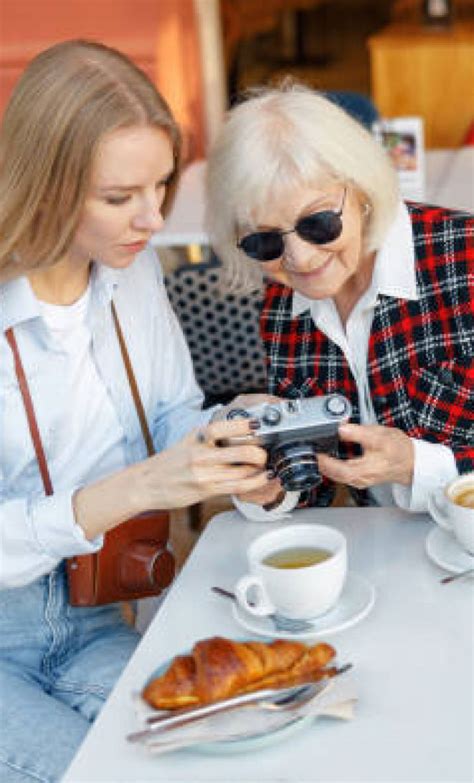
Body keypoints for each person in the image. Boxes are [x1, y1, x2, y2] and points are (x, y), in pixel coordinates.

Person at [0, 40, 277, 782]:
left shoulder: (134, 270)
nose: (152, 219)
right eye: (119, 198)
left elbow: (170, 411)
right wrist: (141, 487)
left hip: (95, 615)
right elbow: (146, 479)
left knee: (224, 753)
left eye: (160, 186)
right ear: (47, 184)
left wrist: (226, 439)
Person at [206, 82, 474, 513]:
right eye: (264, 241)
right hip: (388, 554)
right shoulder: (282, 308)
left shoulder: (466, 261)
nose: (300, 260)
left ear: (363, 190)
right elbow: (311, 483)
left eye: (318, 223)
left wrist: (417, 465)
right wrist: (269, 488)